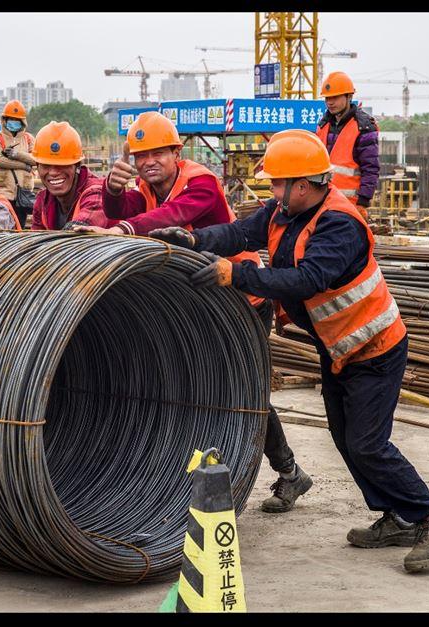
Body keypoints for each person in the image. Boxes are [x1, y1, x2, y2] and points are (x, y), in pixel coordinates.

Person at [149, 130, 429, 573]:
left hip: (375, 349)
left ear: (303, 184)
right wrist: (195, 241)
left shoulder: (339, 223)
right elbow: (241, 230)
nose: (272, 191)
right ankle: (396, 517)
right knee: (344, 437)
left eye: (278, 183)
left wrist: (235, 274)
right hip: (339, 348)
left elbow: (307, 280)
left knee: (367, 443)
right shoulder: (285, 211)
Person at [78, 111, 313, 513]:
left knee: (245, 389)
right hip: (199, 303)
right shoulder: (148, 187)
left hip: (241, 297)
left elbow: (170, 218)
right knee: (194, 385)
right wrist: (113, 193)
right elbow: (125, 210)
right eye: (140, 155)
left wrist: (123, 230)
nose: (148, 161)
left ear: (177, 151)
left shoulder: (200, 181)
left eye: (157, 153)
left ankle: (289, 473)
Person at [29, 120, 116, 231]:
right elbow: (35, 240)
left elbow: (81, 228)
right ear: (37, 166)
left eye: (62, 165)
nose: (53, 172)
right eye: (46, 165)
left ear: (77, 166)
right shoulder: (42, 201)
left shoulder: (97, 192)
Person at [317, 71, 380, 223]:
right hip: (323, 202)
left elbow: (370, 168)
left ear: (348, 97)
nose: (330, 102)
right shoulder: (323, 125)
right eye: (327, 98)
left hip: (349, 205)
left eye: (335, 97)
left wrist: (363, 202)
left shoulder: (363, 127)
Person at [0, 99, 36, 227]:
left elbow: (36, 159)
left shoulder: (28, 139)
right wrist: (24, 165)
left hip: (23, 193)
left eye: (17, 120)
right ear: (4, 120)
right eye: (10, 119)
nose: (13, 122)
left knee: (19, 226)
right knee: (1, 224)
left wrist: (16, 155)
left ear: (22, 122)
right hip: (2, 192)